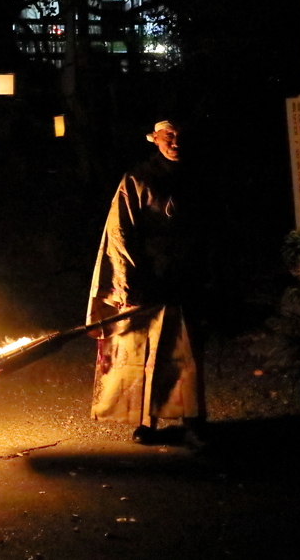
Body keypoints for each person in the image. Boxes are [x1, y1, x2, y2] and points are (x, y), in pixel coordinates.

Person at [87, 120, 207, 444]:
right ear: (155, 139)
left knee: (187, 349)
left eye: (181, 134)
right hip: (149, 274)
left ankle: (193, 420)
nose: (175, 140)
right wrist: (128, 277)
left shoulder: (200, 176)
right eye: (168, 134)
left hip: (187, 274)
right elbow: (120, 229)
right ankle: (146, 421)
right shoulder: (137, 179)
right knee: (144, 347)